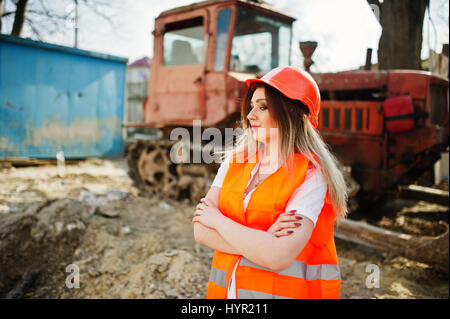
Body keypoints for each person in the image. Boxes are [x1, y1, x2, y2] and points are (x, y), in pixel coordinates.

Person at [192, 66, 349, 299]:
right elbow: (200, 231)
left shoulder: (311, 176)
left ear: (290, 113)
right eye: (252, 106)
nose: (250, 115)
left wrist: (217, 221)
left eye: (262, 107)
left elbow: (278, 256)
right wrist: (263, 241)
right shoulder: (235, 162)